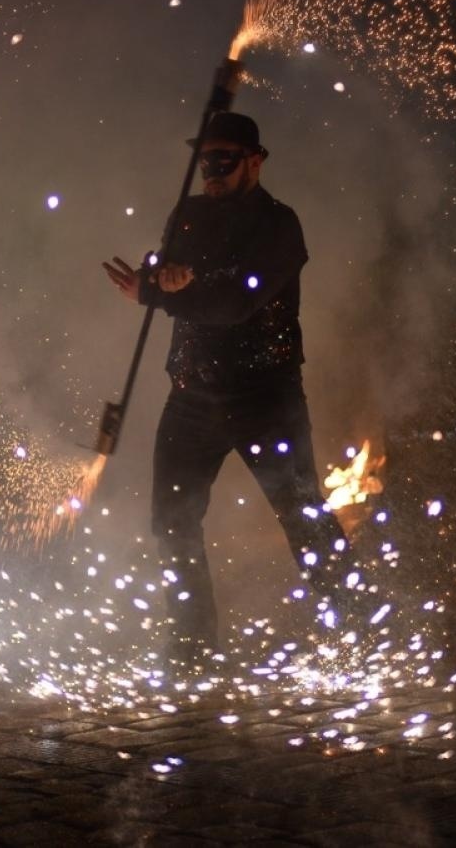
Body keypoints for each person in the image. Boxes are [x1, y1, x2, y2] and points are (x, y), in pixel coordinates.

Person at [102, 111, 354, 662]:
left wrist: (163, 293)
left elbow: (237, 301)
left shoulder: (279, 225)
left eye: (225, 160)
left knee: (303, 516)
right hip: (192, 396)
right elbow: (165, 265)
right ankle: (190, 645)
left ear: (255, 162)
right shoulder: (188, 214)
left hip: (266, 399)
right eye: (205, 160)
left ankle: (359, 630)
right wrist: (158, 276)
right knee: (172, 521)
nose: (212, 170)